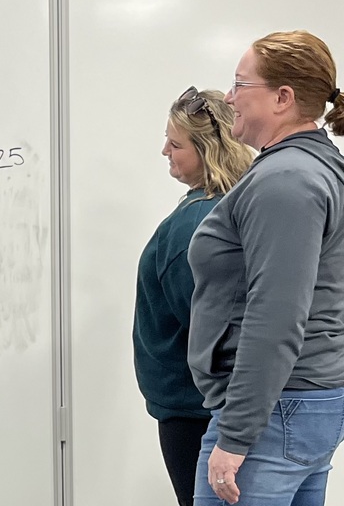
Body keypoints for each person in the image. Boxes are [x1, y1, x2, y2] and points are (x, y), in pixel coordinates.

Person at [188, 30, 344, 506]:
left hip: (274, 412)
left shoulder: (287, 180)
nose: (228, 98)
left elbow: (276, 316)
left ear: (283, 98)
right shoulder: (315, 166)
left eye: (240, 84)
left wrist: (235, 436)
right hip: (298, 403)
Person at [133, 87, 253, 506]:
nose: (164, 150)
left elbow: (210, 328)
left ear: (207, 150)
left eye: (176, 144)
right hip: (206, 405)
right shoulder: (233, 205)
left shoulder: (196, 225)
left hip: (197, 411)